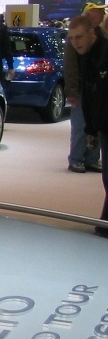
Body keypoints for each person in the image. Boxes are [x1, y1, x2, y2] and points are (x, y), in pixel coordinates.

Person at [69, 14, 108, 237]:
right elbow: (91, 96)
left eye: (79, 37)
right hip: (103, 125)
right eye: (72, 38)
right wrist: (91, 129)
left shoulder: (105, 53)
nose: (76, 42)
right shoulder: (86, 57)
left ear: (92, 34)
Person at [64, 2, 106, 173]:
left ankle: (92, 158)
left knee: (96, 125)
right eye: (98, 12)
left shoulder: (101, 36)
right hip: (82, 90)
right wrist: (72, 90)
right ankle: (76, 158)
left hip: (97, 93)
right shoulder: (77, 38)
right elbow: (71, 66)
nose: (102, 15)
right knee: (80, 126)